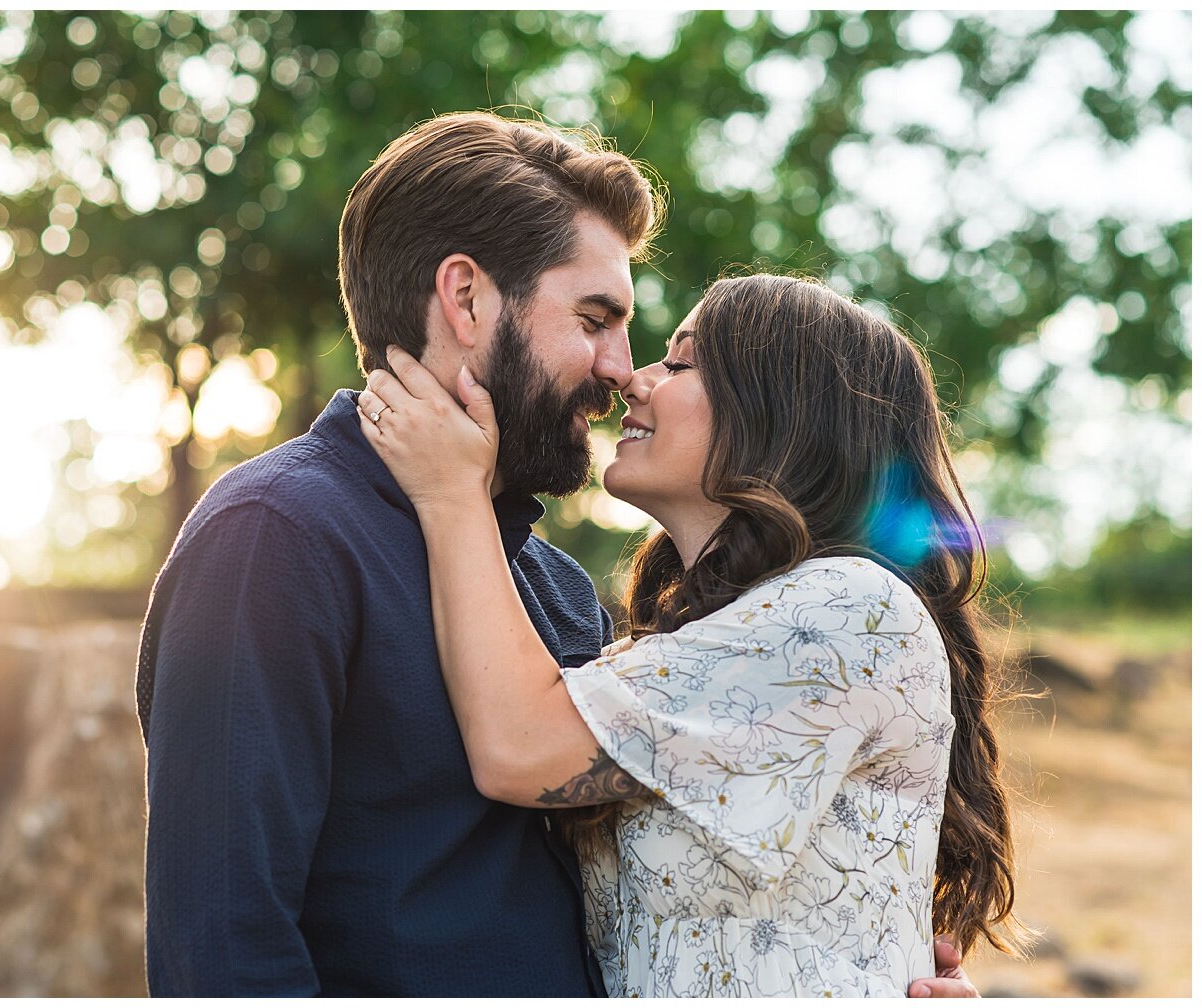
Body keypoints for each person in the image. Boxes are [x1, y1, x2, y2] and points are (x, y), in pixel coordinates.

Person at [136, 112, 976, 996]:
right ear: (465, 300)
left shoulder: (554, 586)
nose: (622, 368)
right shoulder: (278, 536)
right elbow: (222, 942)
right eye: (595, 318)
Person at [355, 273, 1027, 996]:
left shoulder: (846, 610)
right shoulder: (697, 642)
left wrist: (451, 492)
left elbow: (520, 747)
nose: (633, 379)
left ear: (782, 414)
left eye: (680, 362)